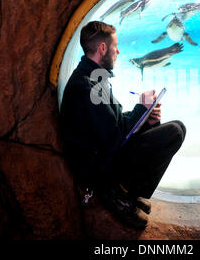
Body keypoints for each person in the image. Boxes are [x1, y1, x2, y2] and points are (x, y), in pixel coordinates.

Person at [59, 21, 186, 229]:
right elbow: (114, 139)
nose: (118, 51)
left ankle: (131, 193)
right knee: (173, 132)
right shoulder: (88, 85)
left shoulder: (94, 76)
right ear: (102, 48)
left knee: (176, 128)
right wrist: (141, 109)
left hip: (105, 151)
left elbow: (112, 122)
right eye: (115, 46)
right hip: (97, 169)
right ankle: (115, 194)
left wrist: (146, 116)